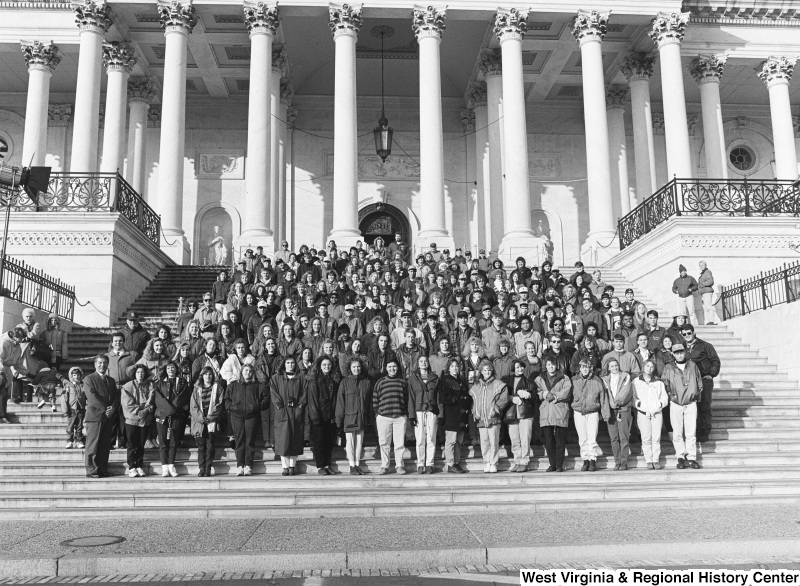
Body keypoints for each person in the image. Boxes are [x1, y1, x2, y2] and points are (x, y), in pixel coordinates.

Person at [662, 343, 703, 470]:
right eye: (677, 353)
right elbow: (664, 383)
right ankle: (680, 456)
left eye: (681, 352)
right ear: (673, 354)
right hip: (676, 403)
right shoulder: (669, 367)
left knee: (691, 432)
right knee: (677, 432)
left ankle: (691, 458)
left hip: (690, 403)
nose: (679, 355)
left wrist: (696, 394)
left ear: (685, 352)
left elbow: (699, 381)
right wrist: (671, 396)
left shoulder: (692, 365)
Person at [226, 363, 269, 476]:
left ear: (253, 373)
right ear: (241, 372)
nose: (248, 373)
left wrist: (257, 407)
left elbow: (265, 399)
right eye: (245, 371)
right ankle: (240, 466)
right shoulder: (233, 385)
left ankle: (248, 465)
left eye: (250, 371)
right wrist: (232, 407)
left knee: (250, 441)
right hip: (237, 416)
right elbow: (226, 399)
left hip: (252, 416)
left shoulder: (258, 386)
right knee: (239, 441)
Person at [681, 324, 720, 443]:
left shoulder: (705, 345)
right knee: (693, 407)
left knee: (704, 406)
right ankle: (695, 430)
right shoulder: (682, 347)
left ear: (693, 333)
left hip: (704, 379)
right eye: (684, 334)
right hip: (689, 381)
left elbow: (715, 360)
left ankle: (704, 430)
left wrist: (711, 374)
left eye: (689, 333)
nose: (687, 335)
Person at [83, 354, 120, 478]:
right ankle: (92, 470)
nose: (102, 365)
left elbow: (116, 395)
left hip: (108, 417)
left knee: (105, 445)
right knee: (93, 445)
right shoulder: (89, 379)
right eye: (99, 363)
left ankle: (103, 468)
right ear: (95, 364)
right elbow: (92, 397)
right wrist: (105, 409)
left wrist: (113, 408)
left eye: (104, 363)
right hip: (95, 417)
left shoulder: (111, 380)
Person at [469, 360, 509, 473]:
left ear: (492, 371)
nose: (487, 372)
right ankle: (487, 461)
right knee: (484, 441)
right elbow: (472, 400)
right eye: (485, 370)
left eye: (489, 370)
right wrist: (475, 411)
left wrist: (496, 408)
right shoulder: (476, 385)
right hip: (481, 418)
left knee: (494, 440)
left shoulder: (498, 383)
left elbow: (504, 398)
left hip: (493, 417)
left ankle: (494, 462)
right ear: (481, 371)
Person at [571, 358, 610, 472]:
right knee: (582, 438)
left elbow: (603, 398)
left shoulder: (597, 380)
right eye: (582, 367)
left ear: (590, 368)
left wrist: (605, 414)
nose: (584, 369)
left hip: (592, 411)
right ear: (580, 368)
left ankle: (592, 459)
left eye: (586, 367)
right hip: (579, 411)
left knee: (592, 437)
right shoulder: (574, 380)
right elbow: (569, 396)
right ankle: (585, 460)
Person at [535, 356, 573, 472]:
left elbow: (567, 390)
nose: (551, 367)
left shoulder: (564, 378)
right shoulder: (540, 378)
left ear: (556, 365)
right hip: (546, 411)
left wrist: (555, 396)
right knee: (549, 440)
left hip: (559, 410)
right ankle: (552, 463)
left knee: (560, 440)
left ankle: (559, 464)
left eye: (552, 364)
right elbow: (536, 391)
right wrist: (544, 394)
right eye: (548, 365)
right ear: (545, 366)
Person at [270, 356, 307, 475]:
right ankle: (284, 466)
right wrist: (279, 406)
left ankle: (292, 466)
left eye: (292, 363)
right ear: (284, 364)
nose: (290, 365)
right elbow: (273, 393)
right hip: (283, 412)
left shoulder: (301, 378)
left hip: (296, 411)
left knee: (295, 439)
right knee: (283, 440)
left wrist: (300, 406)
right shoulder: (277, 378)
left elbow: (305, 392)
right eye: (288, 363)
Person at [154, 361, 190, 477]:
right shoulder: (159, 383)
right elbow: (158, 399)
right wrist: (169, 409)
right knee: (163, 441)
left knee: (174, 441)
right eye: (168, 368)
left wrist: (173, 410)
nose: (171, 370)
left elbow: (183, 397)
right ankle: (164, 467)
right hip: (162, 415)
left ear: (176, 369)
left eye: (173, 368)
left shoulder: (183, 382)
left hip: (177, 415)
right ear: (165, 370)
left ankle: (171, 465)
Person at [336, 359, 372, 475]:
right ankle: (351, 465)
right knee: (350, 442)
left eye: (358, 367)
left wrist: (370, 418)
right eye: (354, 367)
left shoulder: (366, 382)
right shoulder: (344, 382)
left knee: (359, 442)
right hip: (349, 417)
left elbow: (370, 402)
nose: (356, 369)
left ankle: (357, 464)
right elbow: (340, 402)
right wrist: (339, 420)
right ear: (350, 368)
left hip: (361, 417)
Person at [373, 359, 409, 474]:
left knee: (399, 444)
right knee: (384, 443)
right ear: (386, 368)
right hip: (384, 416)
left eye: (394, 366)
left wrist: (405, 414)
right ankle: (384, 465)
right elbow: (375, 398)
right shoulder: (380, 382)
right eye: (389, 367)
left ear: (397, 368)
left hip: (399, 417)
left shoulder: (403, 382)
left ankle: (399, 466)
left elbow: (407, 399)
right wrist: (377, 413)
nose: (392, 369)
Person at [120, 364, 155, 477]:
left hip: (145, 419)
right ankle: (131, 466)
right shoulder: (128, 386)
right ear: (134, 374)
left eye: (142, 372)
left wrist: (147, 409)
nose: (140, 374)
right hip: (131, 419)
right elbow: (127, 403)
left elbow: (152, 399)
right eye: (138, 372)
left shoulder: (150, 385)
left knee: (141, 443)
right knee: (131, 443)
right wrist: (139, 410)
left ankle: (139, 465)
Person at [633, 359, 669, 470]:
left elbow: (664, 397)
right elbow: (633, 397)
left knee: (656, 438)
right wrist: (639, 405)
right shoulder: (636, 381)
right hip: (643, 413)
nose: (649, 368)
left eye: (651, 367)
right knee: (646, 438)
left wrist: (660, 404)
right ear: (643, 367)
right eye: (647, 366)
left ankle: (656, 459)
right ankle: (648, 460)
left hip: (656, 413)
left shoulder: (658, 382)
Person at [306, 356, 339, 475]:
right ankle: (320, 466)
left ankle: (327, 464)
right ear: (320, 366)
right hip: (319, 415)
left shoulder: (333, 380)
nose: (327, 367)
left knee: (329, 442)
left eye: (329, 365)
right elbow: (313, 400)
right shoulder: (314, 380)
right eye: (324, 365)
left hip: (330, 415)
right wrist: (315, 417)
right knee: (319, 442)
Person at [503, 359, 536, 473]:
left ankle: (524, 461)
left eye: (521, 367)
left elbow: (536, 398)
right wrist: (512, 398)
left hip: (525, 414)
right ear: (513, 368)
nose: (520, 369)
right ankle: (517, 461)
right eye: (517, 367)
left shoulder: (529, 382)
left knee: (525, 438)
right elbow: (502, 395)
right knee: (515, 439)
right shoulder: (506, 381)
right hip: (512, 414)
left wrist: (529, 395)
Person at [437, 358, 470, 473]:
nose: (455, 368)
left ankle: (456, 462)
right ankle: (450, 463)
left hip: (461, 415)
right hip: (451, 415)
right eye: (452, 366)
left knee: (458, 441)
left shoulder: (461, 380)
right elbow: (442, 398)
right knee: (451, 440)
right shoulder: (445, 381)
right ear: (448, 368)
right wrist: (453, 399)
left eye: (456, 366)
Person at [190, 366, 224, 477]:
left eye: (210, 374)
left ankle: (208, 468)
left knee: (210, 446)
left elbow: (219, 404)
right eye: (205, 374)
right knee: (201, 447)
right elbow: (193, 406)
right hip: (199, 422)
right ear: (202, 376)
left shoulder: (217, 387)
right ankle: (201, 468)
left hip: (211, 421)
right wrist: (201, 418)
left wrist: (210, 417)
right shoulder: (197, 388)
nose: (208, 376)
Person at [408, 355, 439, 474]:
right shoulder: (412, 378)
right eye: (421, 361)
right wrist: (412, 415)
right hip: (418, 411)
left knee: (431, 437)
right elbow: (411, 397)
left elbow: (438, 396)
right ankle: (421, 463)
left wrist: (439, 413)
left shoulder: (435, 378)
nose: (423, 363)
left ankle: (430, 464)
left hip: (431, 410)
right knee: (420, 438)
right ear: (418, 363)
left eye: (425, 361)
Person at [602, 357, 633, 470]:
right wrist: (611, 404)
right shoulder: (605, 379)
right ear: (608, 368)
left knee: (623, 436)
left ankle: (624, 461)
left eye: (616, 365)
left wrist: (617, 402)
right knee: (614, 437)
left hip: (623, 409)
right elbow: (606, 394)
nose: (615, 368)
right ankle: (617, 461)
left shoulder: (625, 376)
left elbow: (626, 391)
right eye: (612, 366)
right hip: (611, 410)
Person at [61, 366, 85, 448]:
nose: (76, 377)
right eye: (74, 375)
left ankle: (79, 440)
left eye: (78, 375)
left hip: (81, 408)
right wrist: (65, 409)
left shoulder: (83, 385)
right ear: (71, 376)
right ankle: (70, 440)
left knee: (79, 426)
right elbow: (64, 397)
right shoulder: (68, 385)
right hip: (72, 408)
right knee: (70, 426)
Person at [698, 261, 720, 325]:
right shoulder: (703, 273)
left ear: (705, 265)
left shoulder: (707, 272)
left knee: (709, 307)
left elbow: (711, 281)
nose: (701, 266)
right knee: (706, 308)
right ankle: (707, 321)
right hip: (704, 293)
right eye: (700, 265)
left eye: (703, 265)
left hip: (707, 292)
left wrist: (702, 284)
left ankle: (711, 321)